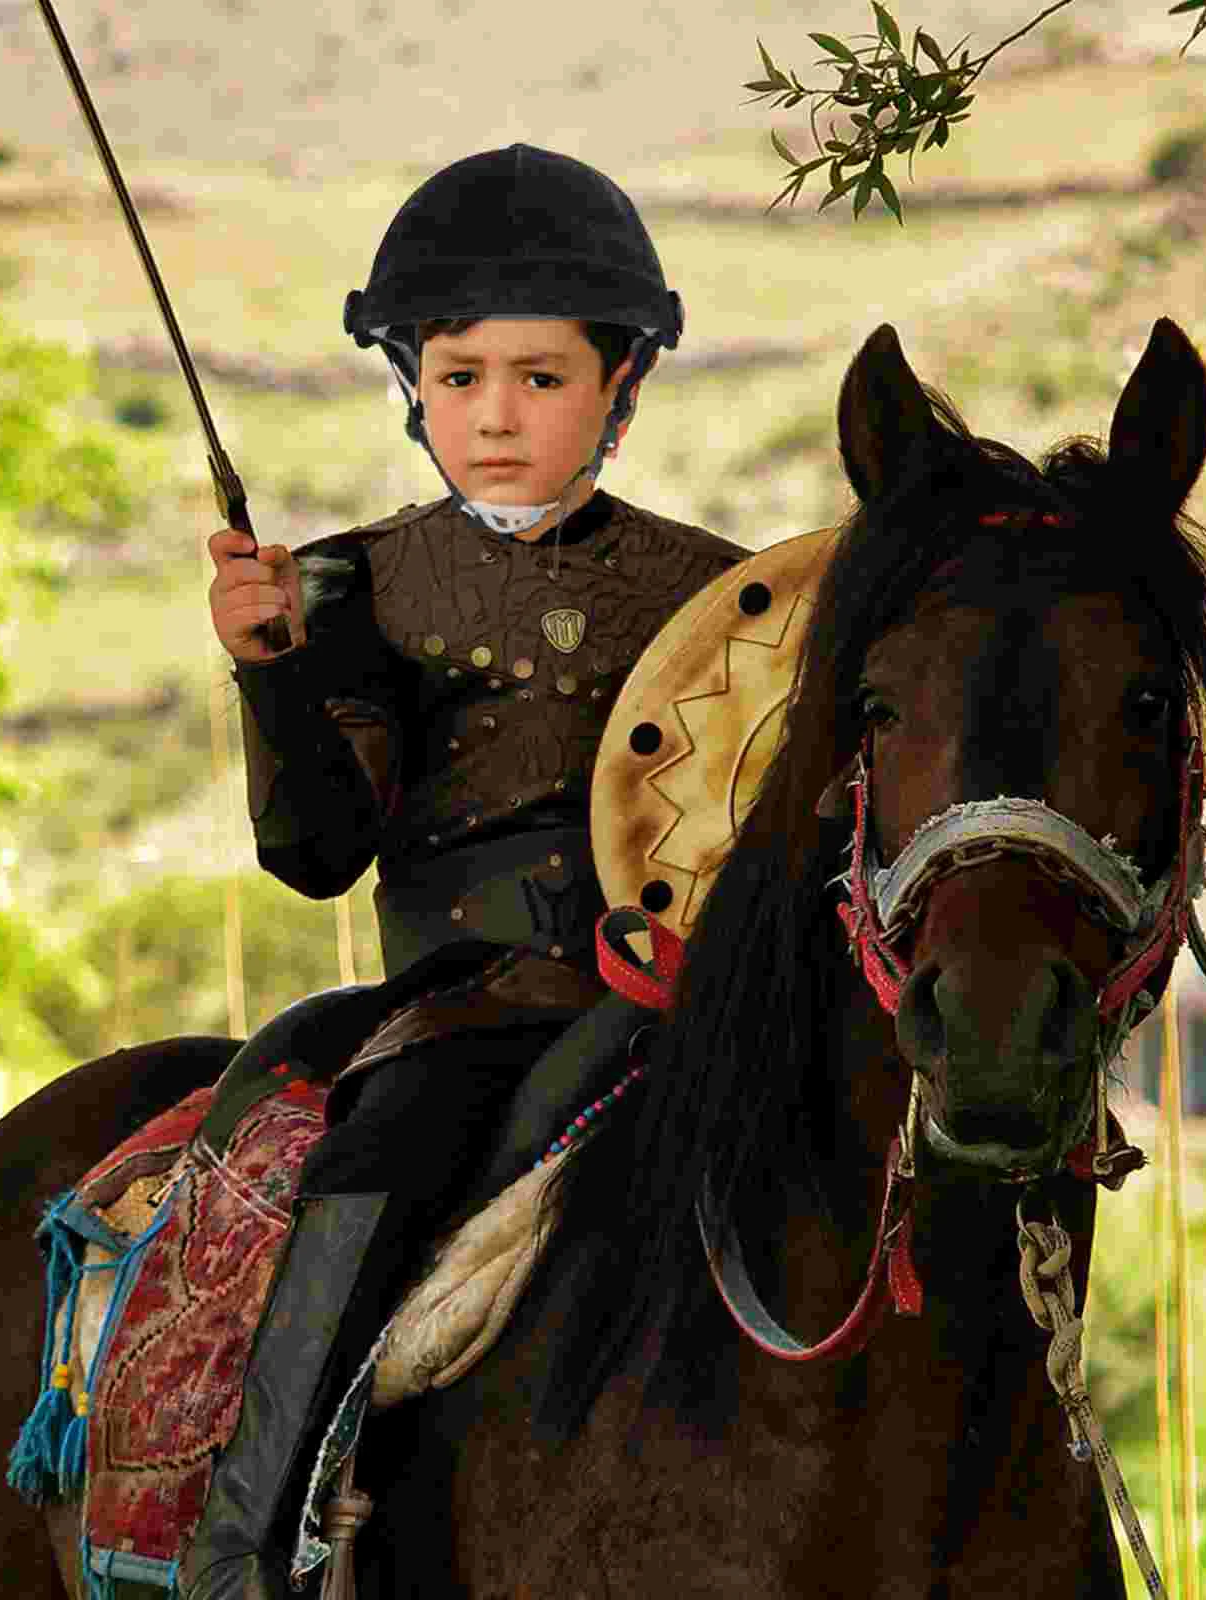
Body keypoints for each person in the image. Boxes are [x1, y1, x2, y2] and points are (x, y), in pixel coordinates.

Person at [179, 144, 747, 1599]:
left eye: (543, 379)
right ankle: (256, 1549)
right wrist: (272, 680)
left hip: (698, 1006)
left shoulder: (731, 591)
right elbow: (313, 858)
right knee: (374, 1171)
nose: (496, 416)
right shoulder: (346, 591)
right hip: (469, 1015)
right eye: (457, 376)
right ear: (410, 388)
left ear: (625, 388)